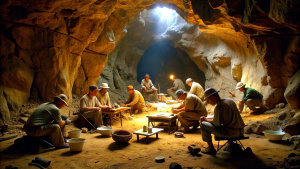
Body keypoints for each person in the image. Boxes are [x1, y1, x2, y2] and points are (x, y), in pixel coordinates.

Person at [200, 88, 245, 155]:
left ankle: (211, 149)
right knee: (227, 124)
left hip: (230, 133)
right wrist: (207, 118)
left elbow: (216, 123)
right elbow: (221, 117)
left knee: (203, 124)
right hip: (241, 131)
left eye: (207, 100)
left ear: (212, 97)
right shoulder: (229, 101)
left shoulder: (220, 107)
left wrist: (206, 120)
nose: (208, 102)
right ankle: (231, 143)